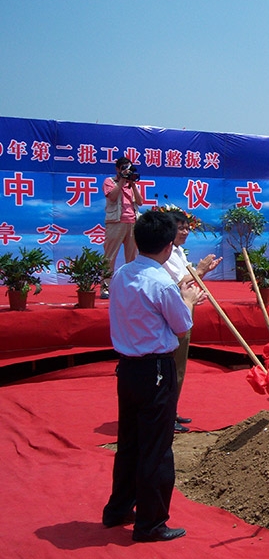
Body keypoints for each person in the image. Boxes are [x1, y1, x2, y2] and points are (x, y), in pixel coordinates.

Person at [101, 210, 205, 542]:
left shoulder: (122, 273)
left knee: (129, 442)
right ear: (168, 246)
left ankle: (119, 508)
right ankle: (150, 522)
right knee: (157, 447)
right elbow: (182, 326)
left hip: (128, 368)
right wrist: (188, 300)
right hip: (156, 369)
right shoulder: (160, 282)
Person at [162, 209, 221, 433]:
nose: (185, 232)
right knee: (172, 363)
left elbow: (187, 280)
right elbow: (179, 282)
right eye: (180, 228)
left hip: (185, 307)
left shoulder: (178, 251)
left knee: (180, 364)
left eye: (187, 228)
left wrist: (201, 272)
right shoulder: (166, 253)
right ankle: (165, 413)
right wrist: (199, 270)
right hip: (174, 310)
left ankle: (172, 409)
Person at [101, 157, 144, 299]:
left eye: (129, 168)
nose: (127, 171)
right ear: (117, 169)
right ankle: (105, 287)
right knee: (110, 256)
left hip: (132, 222)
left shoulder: (131, 185)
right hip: (116, 222)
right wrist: (121, 181)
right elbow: (112, 197)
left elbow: (140, 202)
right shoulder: (110, 181)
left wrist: (132, 184)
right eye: (124, 168)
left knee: (132, 257)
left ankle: (131, 286)